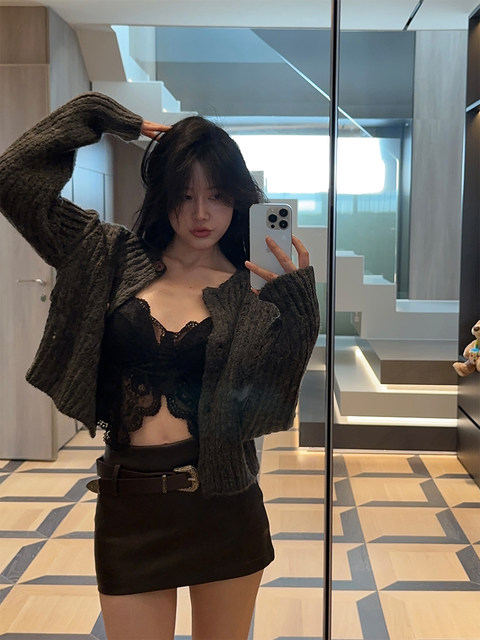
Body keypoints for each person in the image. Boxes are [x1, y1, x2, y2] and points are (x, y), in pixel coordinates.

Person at [0, 92, 319, 640]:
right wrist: (106, 119)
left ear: (238, 199)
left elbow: (267, 407)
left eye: (217, 195)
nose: (201, 214)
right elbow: (13, 180)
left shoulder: (252, 289)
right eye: (184, 194)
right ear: (161, 195)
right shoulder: (108, 254)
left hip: (224, 506)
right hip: (129, 506)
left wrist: (299, 311)